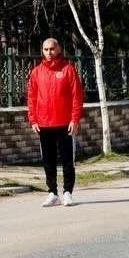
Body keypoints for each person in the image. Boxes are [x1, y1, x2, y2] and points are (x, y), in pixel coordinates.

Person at [26, 38, 84, 207]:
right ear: (42, 51)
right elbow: (31, 97)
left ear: (59, 49)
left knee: (67, 160)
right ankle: (52, 192)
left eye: (52, 49)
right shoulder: (36, 72)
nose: (49, 53)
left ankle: (67, 192)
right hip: (43, 124)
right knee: (48, 160)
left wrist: (75, 119)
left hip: (65, 123)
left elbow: (77, 96)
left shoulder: (68, 70)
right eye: (46, 49)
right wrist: (33, 119)